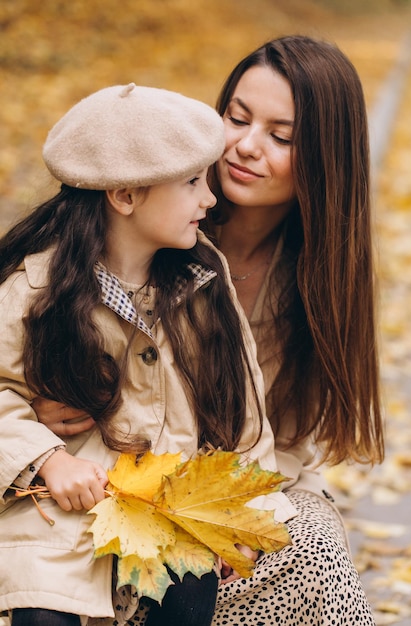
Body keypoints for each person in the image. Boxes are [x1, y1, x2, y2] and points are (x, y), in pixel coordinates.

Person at [34, 35, 384, 625]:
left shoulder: (320, 279)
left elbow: (287, 447)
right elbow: (38, 320)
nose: (244, 147)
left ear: (327, 157)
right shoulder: (153, 212)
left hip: (230, 492)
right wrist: (48, 389)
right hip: (97, 480)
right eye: (237, 118)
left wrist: (234, 511)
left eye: (281, 137)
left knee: (316, 542)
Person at [0, 83, 296, 626]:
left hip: (171, 507)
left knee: (188, 593)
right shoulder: (34, 293)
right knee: (44, 608)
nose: (209, 199)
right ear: (126, 196)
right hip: (58, 513)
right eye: (191, 183)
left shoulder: (202, 282)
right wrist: (46, 459)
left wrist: (247, 517)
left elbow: (244, 410)